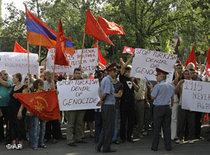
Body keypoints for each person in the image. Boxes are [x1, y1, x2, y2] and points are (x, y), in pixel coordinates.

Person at [150, 68, 174, 151]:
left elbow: (152, 97)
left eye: (157, 76)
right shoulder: (171, 86)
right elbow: (172, 99)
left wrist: (151, 89)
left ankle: (155, 146)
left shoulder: (157, 86)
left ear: (161, 77)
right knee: (167, 128)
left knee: (157, 128)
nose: (156, 78)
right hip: (167, 108)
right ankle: (168, 146)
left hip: (159, 108)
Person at [95, 63, 117, 153]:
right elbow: (106, 93)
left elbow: (100, 90)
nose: (116, 73)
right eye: (114, 71)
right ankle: (106, 147)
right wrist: (102, 100)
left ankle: (99, 146)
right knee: (109, 128)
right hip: (109, 106)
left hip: (106, 105)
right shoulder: (108, 80)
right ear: (110, 72)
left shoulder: (105, 80)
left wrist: (101, 100)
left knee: (105, 127)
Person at [119, 55, 139, 143]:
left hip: (131, 102)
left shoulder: (133, 79)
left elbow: (137, 89)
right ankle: (122, 137)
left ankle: (129, 136)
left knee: (131, 121)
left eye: (129, 71)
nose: (127, 73)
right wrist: (130, 58)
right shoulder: (122, 78)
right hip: (124, 102)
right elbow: (123, 67)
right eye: (126, 71)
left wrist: (132, 81)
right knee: (123, 121)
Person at [65, 68, 86, 147]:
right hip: (72, 106)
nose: (77, 75)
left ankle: (78, 138)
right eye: (76, 73)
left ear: (81, 74)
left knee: (79, 122)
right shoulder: (69, 82)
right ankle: (70, 139)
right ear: (74, 74)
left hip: (81, 105)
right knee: (71, 123)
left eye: (79, 73)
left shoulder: (85, 83)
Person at [7, 73, 27, 150]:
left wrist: (20, 111)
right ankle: (14, 141)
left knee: (19, 125)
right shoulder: (13, 87)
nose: (12, 79)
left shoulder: (24, 87)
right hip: (11, 109)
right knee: (12, 125)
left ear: (18, 78)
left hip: (19, 109)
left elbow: (24, 101)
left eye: (13, 78)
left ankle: (20, 142)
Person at [43, 70, 60, 143]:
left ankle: (55, 137)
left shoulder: (57, 83)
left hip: (55, 104)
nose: (48, 76)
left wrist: (53, 84)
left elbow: (57, 92)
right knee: (47, 122)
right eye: (47, 75)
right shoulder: (43, 83)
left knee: (55, 121)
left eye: (50, 74)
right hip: (47, 104)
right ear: (45, 76)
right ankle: (47, 136)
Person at [29, 79, 47, 150]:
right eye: (40, 84)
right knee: (35, 128)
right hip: (35, 113)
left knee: (43, 128)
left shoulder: (45, 93)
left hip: (43, 113)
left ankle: (41, 143)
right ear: (37, 85)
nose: (42, 86)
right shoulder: (32, 93)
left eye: (42, 84)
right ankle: (35, 144)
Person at [0, 70, 13, 143]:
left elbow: (8, 85)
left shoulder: (9, 81)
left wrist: (0, 79)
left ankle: (9, 138)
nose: (6, 75)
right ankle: (1, 137)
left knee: (8, 122)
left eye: (7, 74)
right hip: (0, 106)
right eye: (4, 74)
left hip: (7, 105)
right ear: (1, 75)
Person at [112, 72, 123, 144]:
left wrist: (109, 94)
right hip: (107, 107)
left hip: (116, 106)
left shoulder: (120, 84)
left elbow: (119, 95)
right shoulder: (107, 82)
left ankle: (114, 138)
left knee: (115, 123)